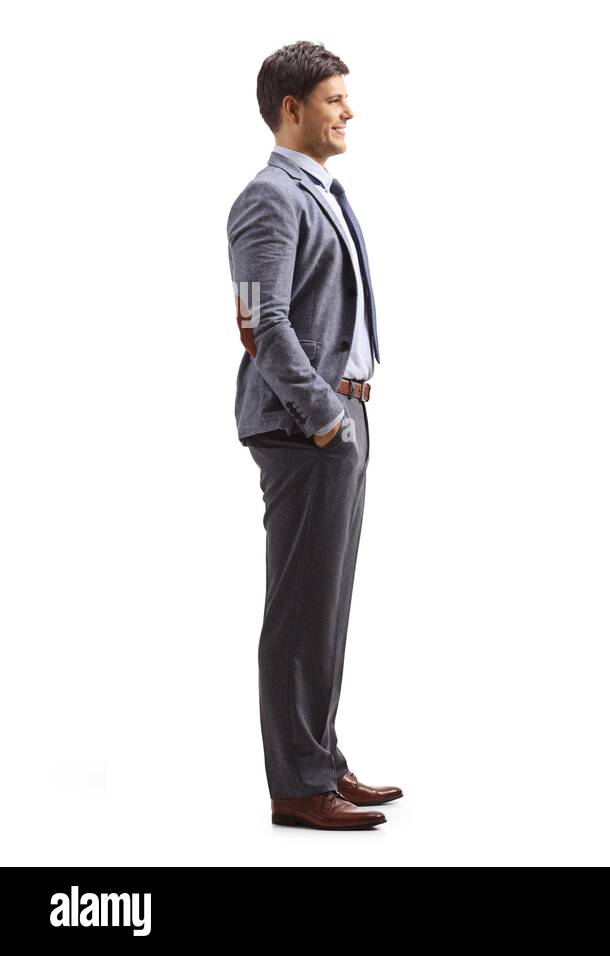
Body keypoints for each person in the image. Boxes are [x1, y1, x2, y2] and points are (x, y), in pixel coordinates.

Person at [227, 40, 402, 829]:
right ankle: (298, 786)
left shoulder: (321, 189)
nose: (348, 112)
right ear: (291, 109)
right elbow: (261, 321)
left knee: (325, 607)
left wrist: (349, 413)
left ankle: (320, 759)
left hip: (341, 417)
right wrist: (325, 417)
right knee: (301, 609)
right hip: (307, 428)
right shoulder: (269, 197)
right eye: (334, 99)